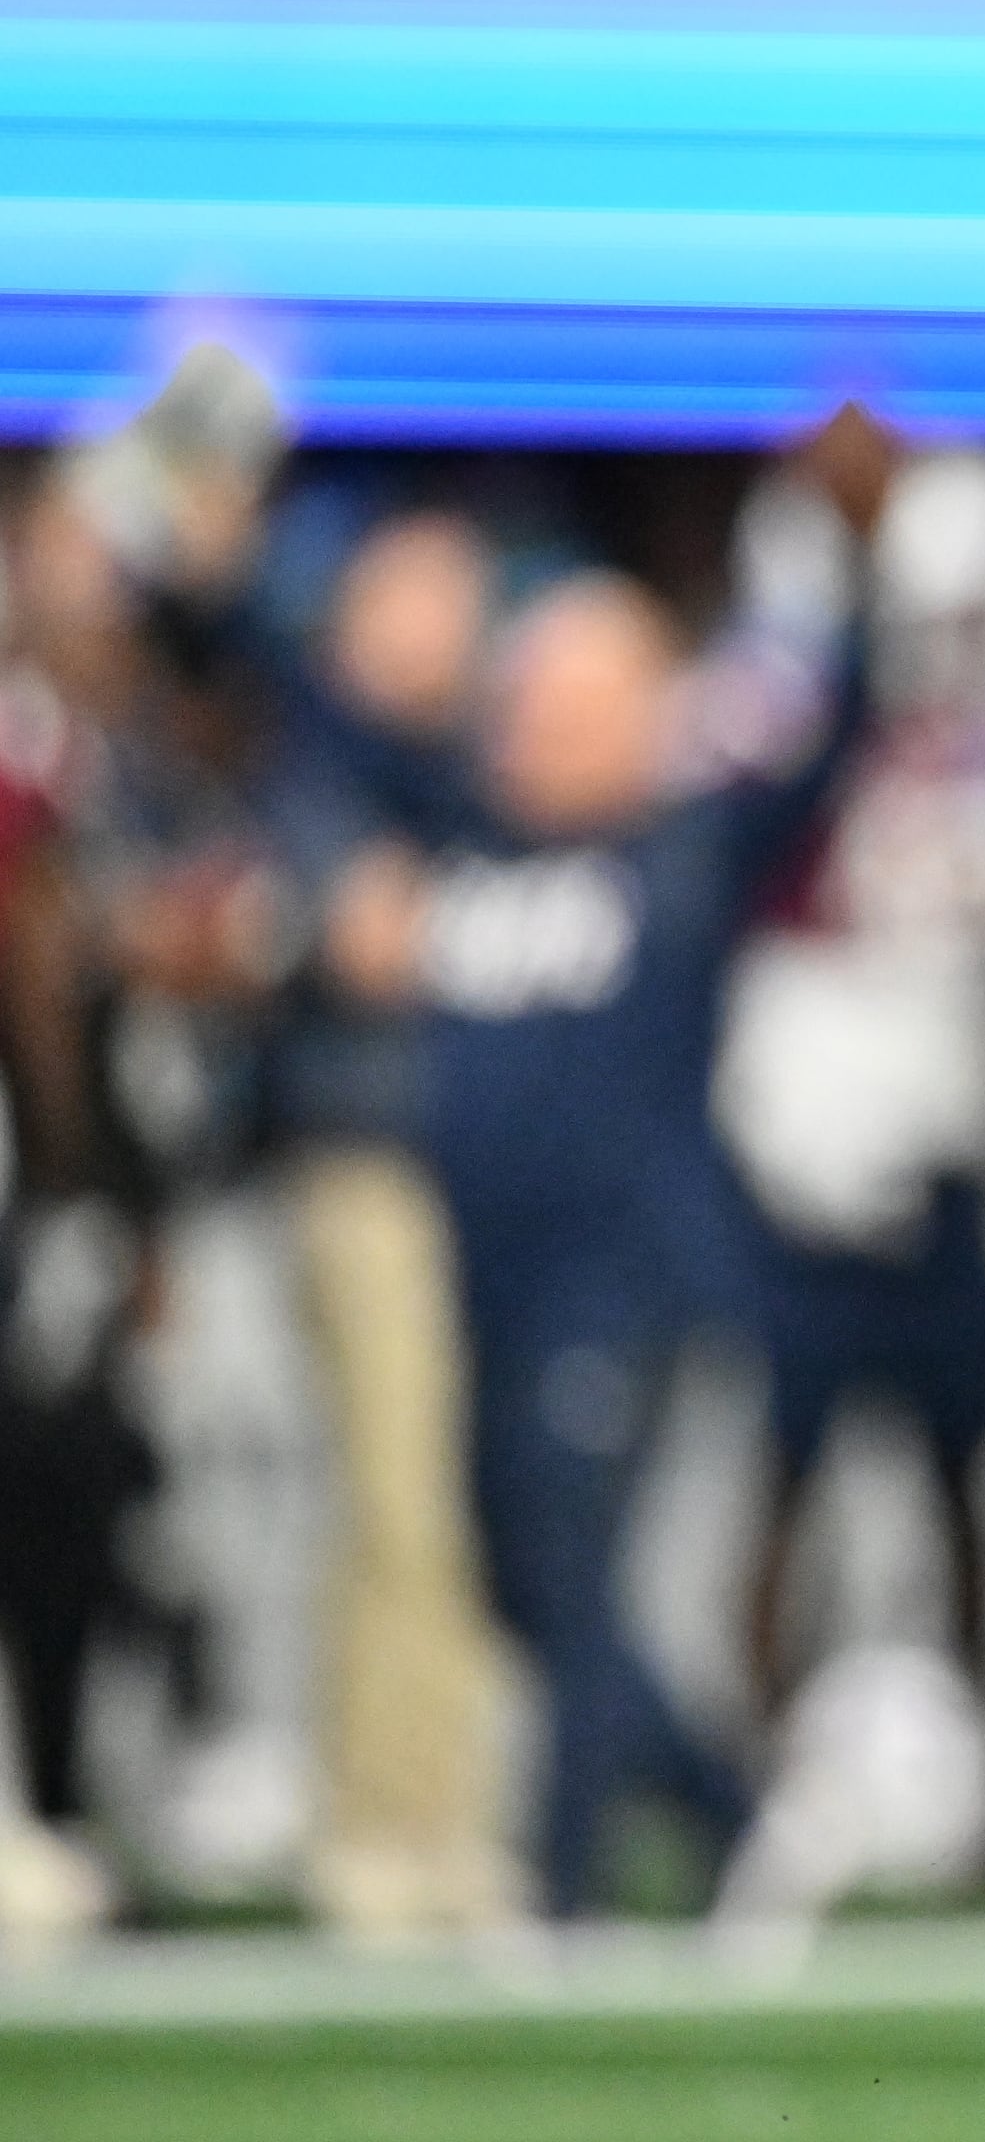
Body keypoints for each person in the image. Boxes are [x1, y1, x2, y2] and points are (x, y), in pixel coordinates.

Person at [313, 404, 900, 1921]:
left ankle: (558, 1899)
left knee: (575, 1575)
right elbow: (323, 723)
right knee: (514, 1585)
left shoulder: (684, 849)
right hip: (488, 1275)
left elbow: (835, 731)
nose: (532, 723)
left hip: (624, 1271)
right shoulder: (462, 837)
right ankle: (738, 1812)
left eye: (574, 699)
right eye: (524, 696)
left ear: (647, 711)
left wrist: (851, 554)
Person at [708, 451, 985, 1935]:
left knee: (971, 1492)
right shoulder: (777, 731)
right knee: (786, 1486)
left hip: (949, 1163)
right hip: (806, 1173)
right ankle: (753, 1790)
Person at [259, 504, 527, 1940]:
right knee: (397, 1503)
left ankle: (450, 1817)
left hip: (475, 1169)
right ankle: (374, 1825)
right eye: (429, 604)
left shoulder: (469, 775)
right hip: (369, 1165)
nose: (456, 637)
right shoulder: (325, 759)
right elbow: (373, 945)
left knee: (466, 1499)